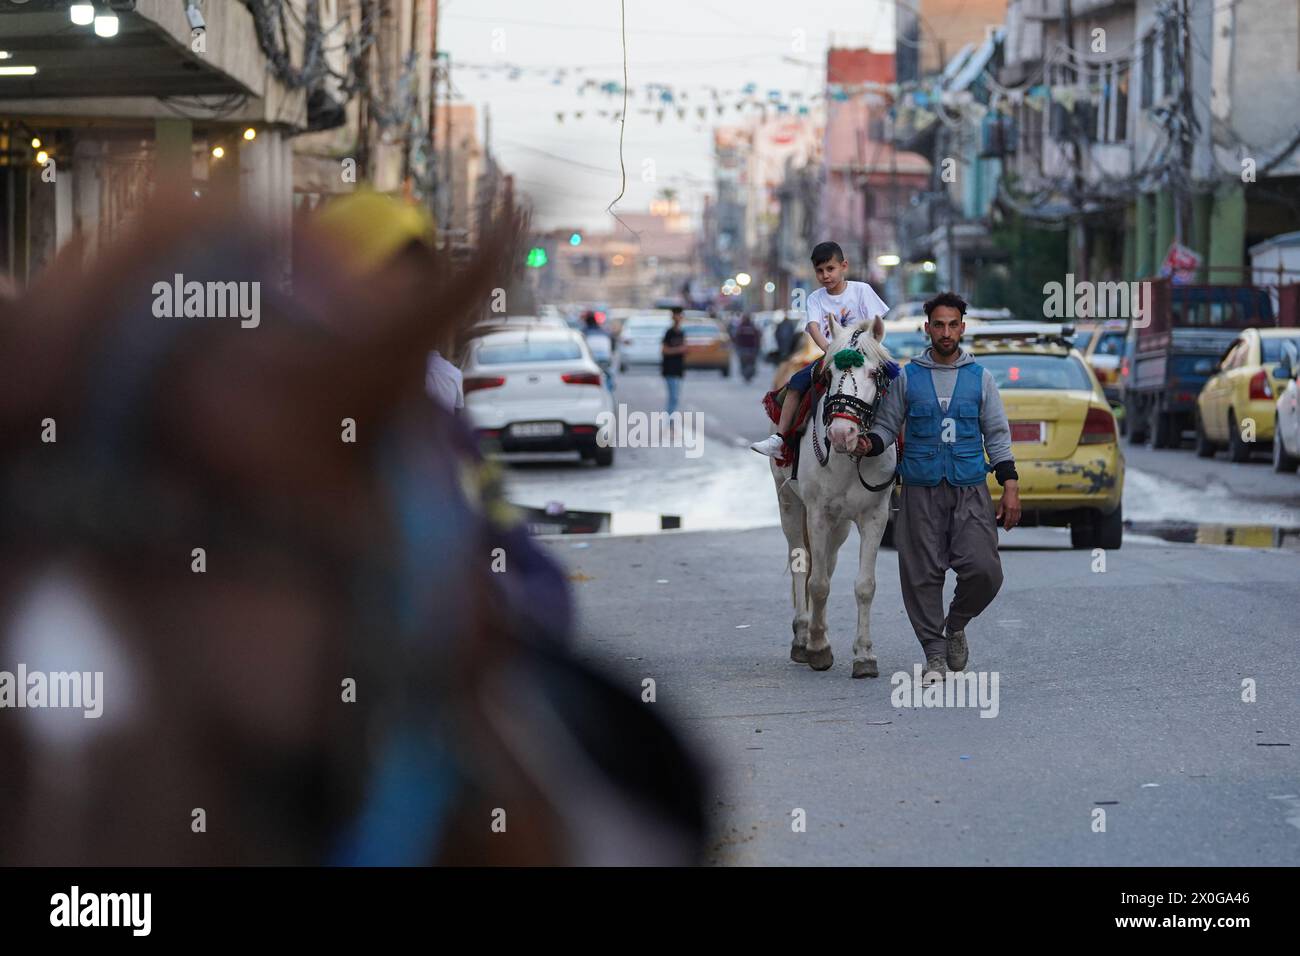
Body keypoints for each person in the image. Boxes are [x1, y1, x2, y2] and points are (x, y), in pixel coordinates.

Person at [859, 291, 1022, 684]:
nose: (946, 332)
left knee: (985, 570)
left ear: (962, 328)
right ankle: (934, 654)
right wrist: (871, 443)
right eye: (938, 325)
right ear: (927, 327)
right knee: (921, 575)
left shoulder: (980, 378)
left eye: (953, 325)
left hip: (969, 488)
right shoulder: (907, 378)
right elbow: (886, 425)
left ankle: (956, 623)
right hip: (919, 488)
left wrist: (1010, 487)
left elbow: (997, 437)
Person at [751, 241, 889, 458]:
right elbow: (814, 327)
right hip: (831, 357)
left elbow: (875, 324)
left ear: (844, 265)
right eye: (820, 270)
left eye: (830, 269)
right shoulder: (815, 298)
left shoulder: (862, 290)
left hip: (866, 357)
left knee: (899, 387)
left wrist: (861, 350)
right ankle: (779, 438)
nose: (825, 275)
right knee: (796, 383)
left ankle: (904, 447)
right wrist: (832, 350)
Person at [662, 306, 688, 416]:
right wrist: (679, 350)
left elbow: (686, 348)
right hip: (669, 369)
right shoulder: (669, 333)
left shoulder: (682, 332)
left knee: (676, 398)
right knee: (673, 397)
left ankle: (670, 422)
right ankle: (669, 422)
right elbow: (664, 350)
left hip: (679, 368)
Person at [583, 310, 616, 392]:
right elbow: (612, 345)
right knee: (607, 374)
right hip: (605, 359)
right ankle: (609, 391)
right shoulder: (604, 332)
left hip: (591, 360)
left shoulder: (584, 332)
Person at [733, 312, 761, 382]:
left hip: (750, 348)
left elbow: (757, 337)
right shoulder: (742, 327)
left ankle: (750, 373)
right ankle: (745, 373)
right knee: (743, 362)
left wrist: (757, 347)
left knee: (751, 362)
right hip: (744, 348)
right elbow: (737, 337)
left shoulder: (752, 327)